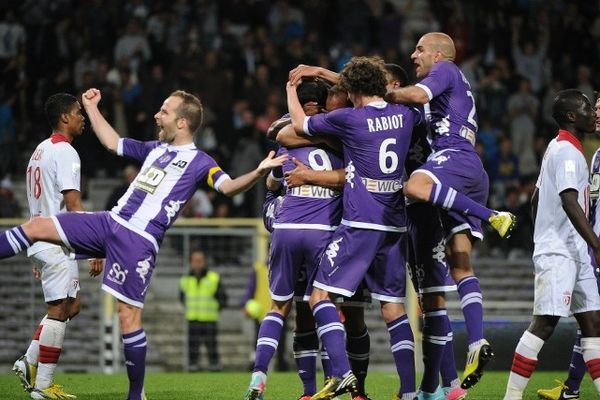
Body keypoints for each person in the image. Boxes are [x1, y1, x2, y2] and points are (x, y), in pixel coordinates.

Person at [0, 88, 286, 400]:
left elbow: (228, 187)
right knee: (37, 226)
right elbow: (112, 142)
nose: (156, 115)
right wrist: (92, 108)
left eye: (164, 111)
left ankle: (137, 395)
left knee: (127, 316)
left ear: (182, 122)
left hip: (138, 239)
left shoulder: (201, 162)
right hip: (110, 221)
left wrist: (258, 172)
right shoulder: (154, 149)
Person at [382, 32, 516, 389]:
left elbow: (416, 93)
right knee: (461, 264)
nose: (414, 55)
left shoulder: (444, 71)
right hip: (468, 174)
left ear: (439, 55)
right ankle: (475, 343)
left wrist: (386, 93)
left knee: (415, 187)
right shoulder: (446, 90)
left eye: (419, 49)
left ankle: (493, 215)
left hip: (450, 164)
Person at [287, 56, 421, 400]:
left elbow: (301, 125)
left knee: (320, 296)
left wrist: (291, 89)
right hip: (395, 224)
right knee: (393, 307)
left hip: (361, 223)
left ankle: (343, 373)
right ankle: (408, 392)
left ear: (352, 91)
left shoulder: (350, 118)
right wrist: (322, 72)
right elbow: (388, 94)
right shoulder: (406, 116)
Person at [244, 78, 347, 400]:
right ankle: (339, 377)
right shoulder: (341, 139)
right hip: (323, 230)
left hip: (287, 228)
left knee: (279, 307)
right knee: (324, 305)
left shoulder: (286, 140)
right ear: (323, 103)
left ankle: (258, 379)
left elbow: (274, 184)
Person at [503, 89, 600, 400]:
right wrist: (595, 243)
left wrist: (545, 229)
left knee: (593, 323)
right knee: (544, 324)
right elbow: (570, 201)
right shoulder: (568, 153)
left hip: (574, 251)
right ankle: (511, 397)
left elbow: (535, 199)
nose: (592, 111)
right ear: (572, 116)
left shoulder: (558, 147)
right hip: (562, 252)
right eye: (587, 107)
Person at [12, 93, 103, 400]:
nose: (83, 118)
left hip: (45, 236)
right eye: (79, 112)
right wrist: (94, 245)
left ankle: (28, 361)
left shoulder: (40, 150)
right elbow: (74, 203)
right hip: (55, 237)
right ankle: (42, 385)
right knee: (57, 310)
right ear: (65, 117)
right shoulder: (66, 152)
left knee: (71, 306)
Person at [536, 95, 600, 400]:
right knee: (591, 320)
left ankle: (572, 388)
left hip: (589, 246)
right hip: (590, 246)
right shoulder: (593, 154)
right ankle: (572, 388)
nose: (596, 113)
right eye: (594, 108)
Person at [179, 249, 227, 372]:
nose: (197, 263)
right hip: (192, 318)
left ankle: (215, 366)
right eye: (195, 261)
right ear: (191, 262)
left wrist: (215, 309)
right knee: (193, 347)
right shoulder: (185, 279)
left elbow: (223, 299)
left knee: (211, 346)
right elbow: (182, 298)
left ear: (205, 262)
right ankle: (193, 366)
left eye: (200, 260)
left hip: (209, 319)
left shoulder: (213, 278)